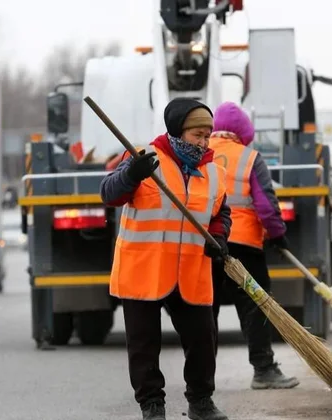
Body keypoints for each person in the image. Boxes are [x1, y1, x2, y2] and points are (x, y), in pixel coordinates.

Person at [100, 98, 231, 420]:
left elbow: (220, 213)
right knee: (144, 345)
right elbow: (109, 194)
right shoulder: (145, 159)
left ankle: (201, 401)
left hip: (191, 271)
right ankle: (152, 405)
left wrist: (219, 237)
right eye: (197, 135)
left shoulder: (214, 172)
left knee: (203, 341)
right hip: (143, 269)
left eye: (207, 135)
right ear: (177, 131)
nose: (203, 142)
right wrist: (132, 174)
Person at [207, 101, 299, 390]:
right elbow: (266, 205)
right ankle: (264, 370)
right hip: (244, 245)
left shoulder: (200, 154)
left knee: (204, 311)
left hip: (206, 244)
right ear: (243, 132)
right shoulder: (249, 158)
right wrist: (277, 234)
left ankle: (201, 377)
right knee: (255, 306)